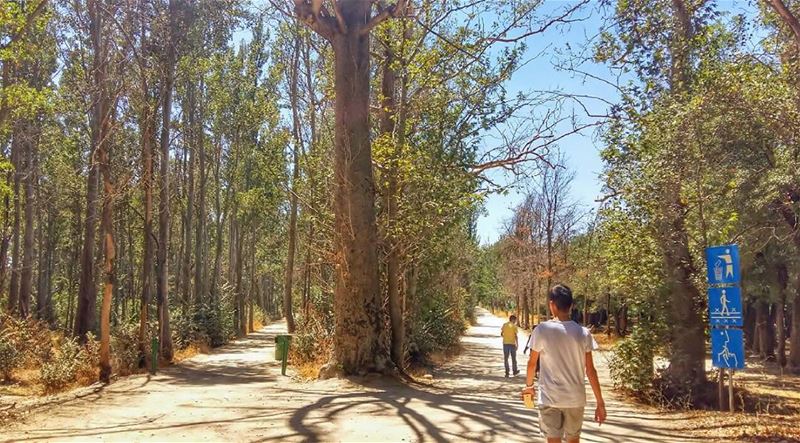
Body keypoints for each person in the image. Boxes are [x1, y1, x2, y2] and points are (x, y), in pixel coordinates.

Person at [521, 284, 606, 443]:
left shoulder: (542, 330)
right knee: (573, 440)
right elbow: (591, 371)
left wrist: (529, 386)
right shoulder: (583, 333)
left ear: (551, 304)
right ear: (571, 305)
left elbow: (532, 364)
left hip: (550, 399)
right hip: (575, 399)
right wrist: (600, 403)